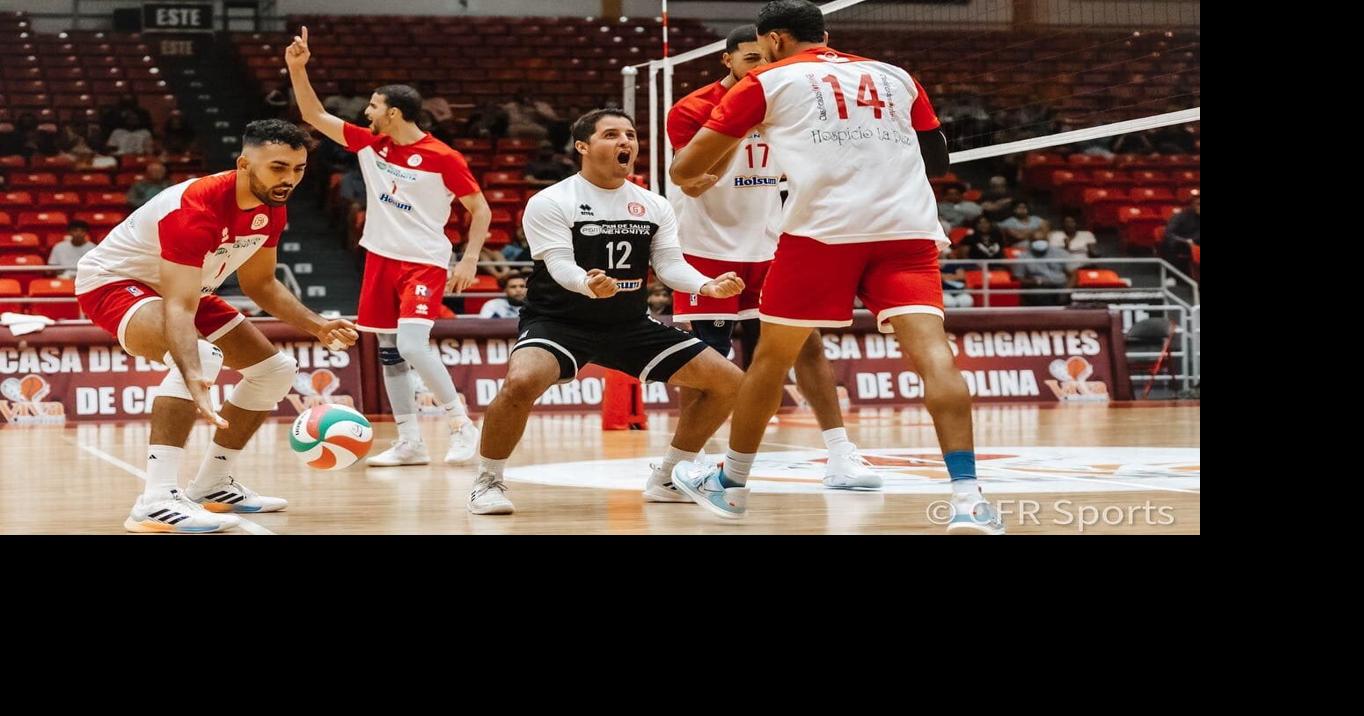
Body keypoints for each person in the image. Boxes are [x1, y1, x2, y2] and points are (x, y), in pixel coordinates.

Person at [669, 0, 1004, 533]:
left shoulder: (765, 82)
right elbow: (936, 160)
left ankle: (730, 485)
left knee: (771, 361)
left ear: (773, 40)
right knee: (935, 358)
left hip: (822, 233)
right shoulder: (896, 76)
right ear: (824, 35)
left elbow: (685, 170)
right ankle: (969, 500)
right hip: (906, 231)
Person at [73, 119, 359, 533]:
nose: (289, 179)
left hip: (186, 286)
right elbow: (179, 305)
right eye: (278, 167)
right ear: (244, 164)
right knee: (200, 357)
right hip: (115, 284)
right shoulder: (194, 209)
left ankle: (213, 483)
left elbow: (260, 284)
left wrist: (318, 325)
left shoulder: (272, 207)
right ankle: (155, 500)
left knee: (274, 371)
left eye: (298, 169)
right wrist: (190, 369)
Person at [470, 108, 746, 514]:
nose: (625, 142)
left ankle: (669, 477)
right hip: (558, 321)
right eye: (612, 134)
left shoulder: (653, 204)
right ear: (583, 146)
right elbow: (560, 264)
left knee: (730, 382)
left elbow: (669, 265)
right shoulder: (551, 200)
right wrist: (587, 283)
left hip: (628, 324)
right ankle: (487, 482)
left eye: (630, 135)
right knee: (521, 382)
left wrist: (706, 285)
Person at [667, 23, 880, 491]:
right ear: (727, 60)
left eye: (765, 59)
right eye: (750, 60)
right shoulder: (692, 108)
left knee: (808, 345)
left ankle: (841, 453)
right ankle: (690, 459)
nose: (760, 68)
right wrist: (738, 123)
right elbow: (693, 182)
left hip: (771, 243)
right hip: (707, 247)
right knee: (706, 360)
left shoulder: (787, 98)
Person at [287, 26, 493, 467]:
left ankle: (461, 425)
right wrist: (297, 68)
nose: (367, 111)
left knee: (414, 346)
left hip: (423, 261)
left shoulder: (444, 157)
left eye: (374, 106)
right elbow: (313, 114)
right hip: (380, 258)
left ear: (394, 112)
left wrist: (470, 259)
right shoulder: (370, 143)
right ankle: (409, 442)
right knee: (390, 351)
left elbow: (481, 209)